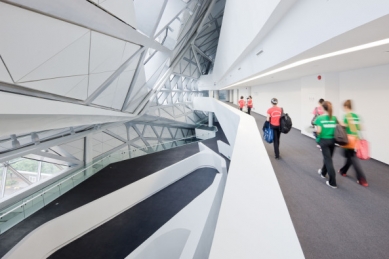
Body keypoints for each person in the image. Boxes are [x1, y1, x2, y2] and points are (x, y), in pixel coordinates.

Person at [339, 100, 368, 187]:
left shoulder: (347, 116)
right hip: (356, 139)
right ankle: (343, 171)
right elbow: (361, 127)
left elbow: (344, 126)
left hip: (349, 140)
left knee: (352, 157)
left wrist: (340, 122)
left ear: (346, 107)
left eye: (344, 107)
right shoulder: (356, 116)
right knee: (350, 156)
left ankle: (362, 178)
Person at [314, 101, 338, 188]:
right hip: (332, 141)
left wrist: (316, 132)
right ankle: (323, 173)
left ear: (323, 108)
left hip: (324, 141)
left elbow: (319, 131)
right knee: (328, 158)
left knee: (328, 160)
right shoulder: (334, 118)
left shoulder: (320, 118)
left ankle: (333, 182)